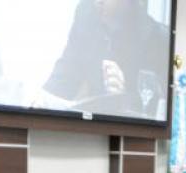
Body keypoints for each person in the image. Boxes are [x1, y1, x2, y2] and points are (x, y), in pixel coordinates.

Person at [40, 0, 170, 118]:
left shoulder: (156, 39)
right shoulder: (86, 12)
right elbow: (67, 71)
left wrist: (121, 97)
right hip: (91, 120)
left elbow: (151, 110)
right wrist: (42, 102)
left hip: (124, 128)